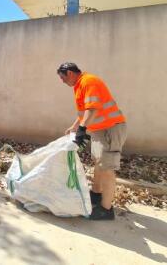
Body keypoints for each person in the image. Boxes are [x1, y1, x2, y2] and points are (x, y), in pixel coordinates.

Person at [57, 62, 127, 220]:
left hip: (110, 129)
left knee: (107, 168)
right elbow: (83, 112)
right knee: (98, 162)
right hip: (100, 130)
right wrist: (75, 127)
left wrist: (82, 129)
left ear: (69, 73)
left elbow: (93, 109)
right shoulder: (79, 86)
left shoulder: (88, 81)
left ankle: (106, 209)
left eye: (62, 78)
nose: (62, 81)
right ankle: (96, 194)